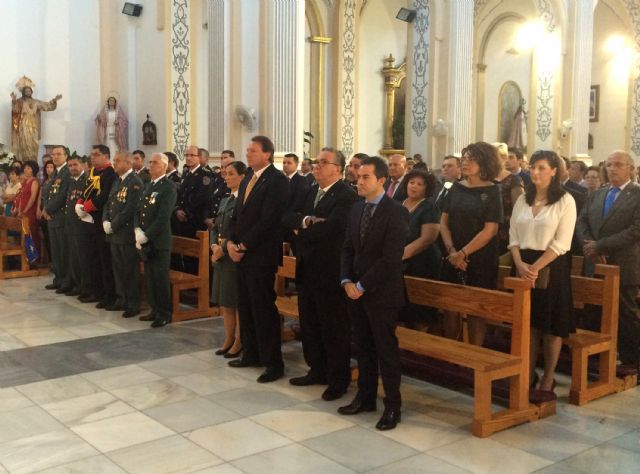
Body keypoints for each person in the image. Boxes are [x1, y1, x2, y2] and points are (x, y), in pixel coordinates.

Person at [339, 156, 409, 431]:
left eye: (366, 176)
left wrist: (362, 285)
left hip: (381, 292)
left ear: (381, 180)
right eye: (358, 176)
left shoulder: (396, 211)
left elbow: (391, 258)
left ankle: (393, 405)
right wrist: (346, 280)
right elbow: (347, 248)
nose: (359, 180)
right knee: (364, 348)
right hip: (355, 290)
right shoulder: (356, 209)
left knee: (385, 351)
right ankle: (365, 397)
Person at [283, 147, 358, 401]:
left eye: (323, 162)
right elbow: (289, 217)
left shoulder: (346, 195)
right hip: (306, 267)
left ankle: (338, 379)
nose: (317, 166)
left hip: (330, 271)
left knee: (333, 327)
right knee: (311, 323)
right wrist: (306, 223)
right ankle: (317, 369)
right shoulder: (310, 190)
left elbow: (332, 230)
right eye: (316, 162)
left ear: (338, 168)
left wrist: (301, 230)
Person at [509, 150, 577, 401]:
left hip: (551, 265)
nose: (534, 172)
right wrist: (519, 263)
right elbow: (513, 234)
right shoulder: (523, 199)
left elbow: (562, 243)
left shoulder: (565, 200)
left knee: (550, 326)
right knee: (528, 325)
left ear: (553, 171)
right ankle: (527, 372)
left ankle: (548, 376)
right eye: (532, 167)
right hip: (522, 264)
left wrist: (535, 267)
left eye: (540, 167)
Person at [225, 136, 289, 383]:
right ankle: (251, 353)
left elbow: (269, 220)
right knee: (246, 306)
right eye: (247, 150)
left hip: (260, 255)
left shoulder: (277, 181)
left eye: (253, 151)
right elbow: (236, 216)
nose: (248, 154)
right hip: (241, 254)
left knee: (263, 309)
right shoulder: (247, 179)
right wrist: (230, 242)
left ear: (267, 155)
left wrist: (244, 245)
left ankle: (273, 362)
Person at [577, 150, 640, 376]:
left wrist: (601, 245)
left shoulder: (637, 194)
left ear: (631, 169)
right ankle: (594, 357)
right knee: (593, 310)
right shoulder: (598, 193)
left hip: (624, 264)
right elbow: (582, 220)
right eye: (610, 164)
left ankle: (632, 360)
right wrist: (591, 248)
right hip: (595, 262)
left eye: (619, 165)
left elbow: (635, 230)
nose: (612, 168)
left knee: (626, 314)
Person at [440, 142, 503, 346]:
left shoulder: (493, 191)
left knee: (477, 309)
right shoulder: (456, 187)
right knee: (450, 307)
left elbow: (490, 230)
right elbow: (443, 222)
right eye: (464, 158)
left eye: (470, 159)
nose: (465, 163)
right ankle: (452, 353)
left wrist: (463, 254)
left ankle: (474, 355)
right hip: (452, 254)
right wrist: (452, 251)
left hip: (480, 257)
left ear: (484, 163)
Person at [135, 153, 177, 328]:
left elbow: (162, 217)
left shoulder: (168, 187)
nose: (150, 165)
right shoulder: (147, 186)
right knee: (151, 277)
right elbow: (138, 210)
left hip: (159, 241)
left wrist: (147, 235)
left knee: (160, 278)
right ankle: (154, 310)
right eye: (150, 162)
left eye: (155, 163)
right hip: (146, 239)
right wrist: (137, 229)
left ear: (165, 166)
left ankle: (164, 313)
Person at [210, 161, 247, 358]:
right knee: (225, 302)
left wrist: (222, 249)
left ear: (242, 177)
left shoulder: (243, 201)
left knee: (236, 301)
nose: (226, 177)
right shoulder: (225, 200)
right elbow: (216, 226)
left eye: (231, 174)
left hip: (233, 256)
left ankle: (240, 340)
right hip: (221, 255)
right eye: (225, 174)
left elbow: (240, 231)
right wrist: (214, 245)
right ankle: (228, 338)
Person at [398, 169, 441, 327]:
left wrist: (401, 254)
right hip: (400, 261)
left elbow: (427, 238)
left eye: (419, 184)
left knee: (420, 307)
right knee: (402, 305)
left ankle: (420, 337)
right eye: (411, 182)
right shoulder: (399, 203)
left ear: (426, 188)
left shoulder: (429, 207)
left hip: (422, 261)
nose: (414, 186)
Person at [103, 151, 144, 318]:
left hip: (126, 233)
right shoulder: (117, 181)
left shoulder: (135, 182)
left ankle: (132, 303)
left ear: (128, 163)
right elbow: (109, 203)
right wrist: (105, 220)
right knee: (118, 269)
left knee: (130, 270)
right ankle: (121, 299)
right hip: (114, 234)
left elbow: (130, 209)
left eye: (117, 161)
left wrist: (113, 224)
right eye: (114, 160)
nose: (114, 163)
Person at [77, 144, 118, 309]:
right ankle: (96, 290)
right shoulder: (94, 173)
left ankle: (109, 294)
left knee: (104, 260)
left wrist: (86, 207)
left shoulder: (110, 174)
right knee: (93, 258)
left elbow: (105, 197)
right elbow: (87, 191)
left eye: (96, 154)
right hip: (90, 223)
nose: (92, 157)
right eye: (91, 154)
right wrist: (79, 203)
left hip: (102, 222)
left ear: (106, 156)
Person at [10, 76, 62, 161]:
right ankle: (25, 162)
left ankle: (33, 162)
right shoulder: (20, 101)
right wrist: (14, 101)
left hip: (34, 126)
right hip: (23, 125)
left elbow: (47, 106)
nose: (28, 92)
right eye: (26, 91)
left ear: (32, 92)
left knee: (33, 144)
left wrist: (54, 100)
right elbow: (15, 111)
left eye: (29, 91)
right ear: (23, 92)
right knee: (25, 143)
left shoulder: (36, 102)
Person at [43, 146, 71, 291]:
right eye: (53, 155)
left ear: (66, 156)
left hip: (61, 217)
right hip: (51, 217)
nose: (55, 157)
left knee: (63, 251)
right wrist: (45, 208)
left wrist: (48, 209)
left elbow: (63, 195)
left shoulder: (67, 172)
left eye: (58, 154)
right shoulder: (55, 173)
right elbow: (47, 193)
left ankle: (66, 281)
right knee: (55, 251)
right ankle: (58, 278)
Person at [63, 155, 90, 297]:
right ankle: (76, 284)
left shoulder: (86, 180)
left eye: (75, 165)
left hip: (81, 226)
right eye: (70, 166)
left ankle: (85, 287)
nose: (72, 168)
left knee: (83, 259)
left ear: (82, 165)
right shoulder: (71, 181)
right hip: (71, 225)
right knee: (73, 258)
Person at [493, 142, 524, 255]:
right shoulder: (484, 178)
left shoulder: (513, 180)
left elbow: (519, 211)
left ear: (503, 158)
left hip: (505, 230)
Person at [282, 153, 309, 255]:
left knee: (295, 253)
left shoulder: (301, 180)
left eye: (289, 163)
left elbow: (299, 201)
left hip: (292, 223)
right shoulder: (280, 180)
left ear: (296, 165)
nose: (286, 165)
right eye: (284, 162)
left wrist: (287, 217)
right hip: (280, 224)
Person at [13, 160, 41, 255]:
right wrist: (19, 210)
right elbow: (21, 197)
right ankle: (26, 258)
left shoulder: (34, 181)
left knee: (31, 234)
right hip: (23, 211)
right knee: (25, 235)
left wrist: (25, 210)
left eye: (28, 168)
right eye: (25, 168)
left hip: (30, 211)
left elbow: (33, 198)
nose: (25, 170)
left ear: (33, 170)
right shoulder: (25, 182)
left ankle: (34, 259)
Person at [36, 158, 55, 263]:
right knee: (46, 236)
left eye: (51, 167)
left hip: (49, 209)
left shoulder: (55, 180)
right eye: (47, 167)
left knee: (51, 237)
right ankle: (50, 261)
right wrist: (38, 208)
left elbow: (50, 197)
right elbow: (40, 196)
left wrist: (45, 209)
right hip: (42, 208)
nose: (49, 169)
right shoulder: (44, 181)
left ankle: (54, 260)